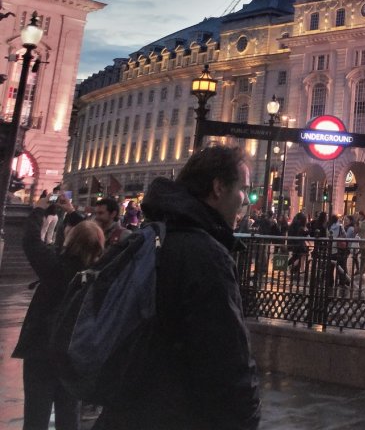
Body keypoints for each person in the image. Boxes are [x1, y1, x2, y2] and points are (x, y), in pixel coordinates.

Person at [94, 144, 261, 430]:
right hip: (177, 413)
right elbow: (228, 361)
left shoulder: (148, 236)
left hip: (125, 409)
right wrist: (246, 420)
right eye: (243, 190)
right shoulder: (206, 254)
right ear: (219, 187)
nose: (245, 202)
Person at [14, 195, 103, 430]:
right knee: (69, 413)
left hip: (42, 350)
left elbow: (31, 241)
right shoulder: (98, 274)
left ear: (71, 241)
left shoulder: (55, 268)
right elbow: (91, 236)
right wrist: (74, 213)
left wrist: (38, 211)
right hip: (74, 353)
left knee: (36, 413)